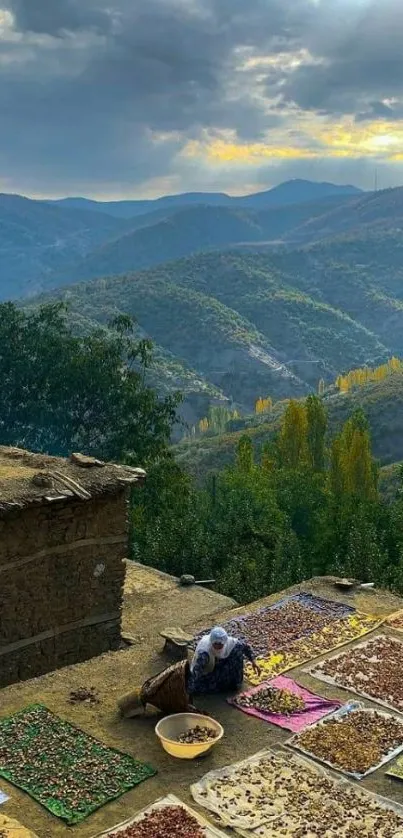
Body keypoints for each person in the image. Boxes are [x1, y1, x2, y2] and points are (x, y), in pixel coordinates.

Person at [188, 626, 260, 695]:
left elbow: (245, 647)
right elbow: (196, 672)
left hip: (222, 664)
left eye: (220, 644)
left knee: (237, 651)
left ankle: (235, 682)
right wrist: (190, 690)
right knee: (199, 688)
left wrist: (253, 662)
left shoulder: (230, 642)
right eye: (216, 644)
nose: (218, 646)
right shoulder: (204, 653)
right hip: (209, 672)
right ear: (212, 641)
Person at [117, 659, 200, 718]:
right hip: (160, 691)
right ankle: (128, 707)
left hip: (161, 689)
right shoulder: (151, 691)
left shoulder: (151, 689)